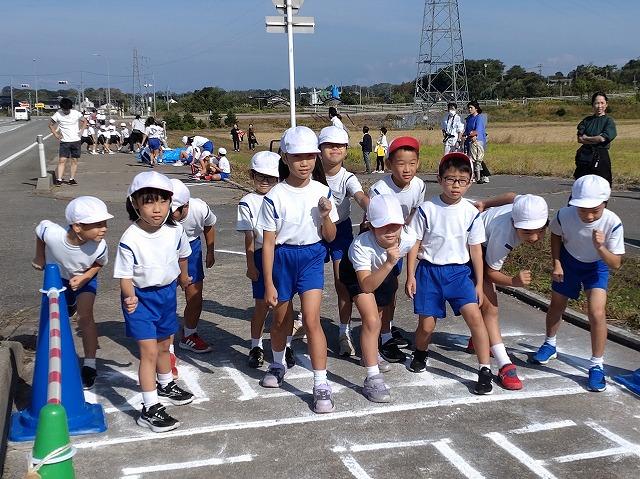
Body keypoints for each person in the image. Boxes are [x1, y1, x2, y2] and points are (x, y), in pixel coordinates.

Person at [256, 126, 339, 414]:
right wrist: (268, 282)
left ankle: (321, 383)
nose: (304, 163)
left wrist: (326, 216)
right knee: (281, 320)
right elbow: (268, 243)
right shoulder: (275, 196)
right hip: (282, 258)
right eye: (297, 157)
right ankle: (278, 363)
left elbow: (330, 236)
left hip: (312, 257)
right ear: (285, 158)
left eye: (310, 156)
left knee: (312, 320)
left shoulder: (323, 192)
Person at [405, 152, 493, 395]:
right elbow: (414, 242)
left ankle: (485, 369)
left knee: (475, 318)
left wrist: (479, 283)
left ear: (470, 182)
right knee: (426, 326)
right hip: (429, 272)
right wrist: (410, 275)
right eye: (450, 179)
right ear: (440, 179)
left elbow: (476, 250)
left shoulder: (471, 212)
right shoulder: (427, 209)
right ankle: (420, 353)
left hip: (459, 274)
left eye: (462, 181)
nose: (456, 185)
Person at [114, 171, 194, 432]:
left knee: (164, 345)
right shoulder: (130, 238)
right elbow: (125, 276)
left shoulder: (175, 230)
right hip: (140, 299)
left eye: (163, 201)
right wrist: (129, 296)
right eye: (148, 202)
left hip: (166, 294)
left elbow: (183, 255)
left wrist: (183, 278)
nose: (157, 208)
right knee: (148, 352)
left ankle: (166, 384)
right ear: (135, 203)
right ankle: (149, 409)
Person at [531, 175, 624, 392]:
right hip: (568, 262)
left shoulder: (612, 222)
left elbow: (616, 263)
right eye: (583, 209)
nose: (589, 215)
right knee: (556, 304)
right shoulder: (565, 214)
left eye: (595, 210)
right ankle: (550, 344)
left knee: (597, 313)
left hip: (596, 267)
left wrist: (601, 247)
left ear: (605, 203)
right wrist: (556, 263)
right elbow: (555, 235)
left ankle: (596, 365)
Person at [339, 195, 416, 402]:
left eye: (395, 225)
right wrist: (390, 263)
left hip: (384, 268)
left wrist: (411, 275)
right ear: (371, 226)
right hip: (358, 274)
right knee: (371, 319)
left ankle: (370, 353)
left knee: (380, 311)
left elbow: (414, 243)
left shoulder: (407, 237)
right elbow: (366, 285)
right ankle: (373, 378)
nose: (390, 231)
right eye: (383, 226)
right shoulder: (361, 246)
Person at [32, 196, 113, 390]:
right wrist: (40, 256)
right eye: (98, 224)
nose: (104, 229)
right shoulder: (54, 235)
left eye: (105, 223)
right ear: (77, 227)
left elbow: (99, 263)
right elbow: (40, 231)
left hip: (85, 279)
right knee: (57, 315)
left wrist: (85, 277)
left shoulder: (100, 246)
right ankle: (53, 355)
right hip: (58, 279)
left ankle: (90, 365)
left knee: (85, 317)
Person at [471, 194, 549, 390]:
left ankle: (479, 339)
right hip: (471, 245)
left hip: (483, 235)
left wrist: (485, 202)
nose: (534, 237)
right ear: (514, 224)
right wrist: (514, 281)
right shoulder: (503, 235)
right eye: (527, 232)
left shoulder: (526, 205)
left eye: (540, 230)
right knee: (490, 307)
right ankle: (504, 364)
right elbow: (490, 273)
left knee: (486, 304)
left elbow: (513, 196)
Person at [369, 136, 426, 363]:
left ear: (418, 163)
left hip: (400, 241)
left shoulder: (419, 185)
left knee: (390, 290)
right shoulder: (379, 189)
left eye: (412, 163)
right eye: (401, 163)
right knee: (379, 293)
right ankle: (379, 336)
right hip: (379, 245)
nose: (407, 169)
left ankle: (386, 331)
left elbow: (413, 216)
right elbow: (372, 223)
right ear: (389, 164)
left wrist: (409, 241)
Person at [318, 126, 370, 357]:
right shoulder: (311, 174)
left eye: (340, 145)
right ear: (319, 149)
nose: (335, 149)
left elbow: (359, 196)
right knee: (308, 281)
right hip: (315, 230)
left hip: (341, 230)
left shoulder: (348, 177)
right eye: (329, 145)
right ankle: (303, 320)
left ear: (347, 150)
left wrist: (374, 210)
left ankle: (343, 331)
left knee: (342, 282)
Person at [237, 151, 281, 368]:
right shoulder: (247, 202)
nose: (265, 181)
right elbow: (249, 238)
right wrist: (251, 265)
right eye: (260, 176)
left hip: (283, 254)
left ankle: (285, 346)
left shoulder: (283, 196)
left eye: (270, 177)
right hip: (261, 254)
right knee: (262, 305)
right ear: (252, 176)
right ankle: (256, 345)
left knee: (284, 305)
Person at [170, 179, 217, 356]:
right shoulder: (159, 214)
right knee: (166, 298)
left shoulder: (200, 208)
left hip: (191, 248)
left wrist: (210, 251)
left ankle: (189, 335)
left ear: (186, 205)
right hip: (166, 250)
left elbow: (209, 225)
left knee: (195, 296)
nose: (168, 213)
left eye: (174, 209)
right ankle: (163, 344)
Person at [574, 92, 617, 185]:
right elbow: (579, 139)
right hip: (585, 155)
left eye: (602, 103)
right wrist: (595, 139)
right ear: (592, 105)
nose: (599, 106)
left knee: (602, 185)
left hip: (601, 156)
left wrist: (586, 138)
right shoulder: (586, 121)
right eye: (597, 103)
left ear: (606, 104)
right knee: (583, 183)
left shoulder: (608, 121)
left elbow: (602, 139)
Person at [49, 97, 87, 186]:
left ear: (70, 108)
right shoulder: (58, 114)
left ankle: (72, 179)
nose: (66, 111)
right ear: (61, 108)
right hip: (65, 141)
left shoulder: (76, 113)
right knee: (62, 160)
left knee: (74, 160)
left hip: (76, 140)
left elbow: (85, 121)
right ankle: (59, 179)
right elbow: (50, 125)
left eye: (68, 109)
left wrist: (81, 130)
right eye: (64, 109)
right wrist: (56, 134)